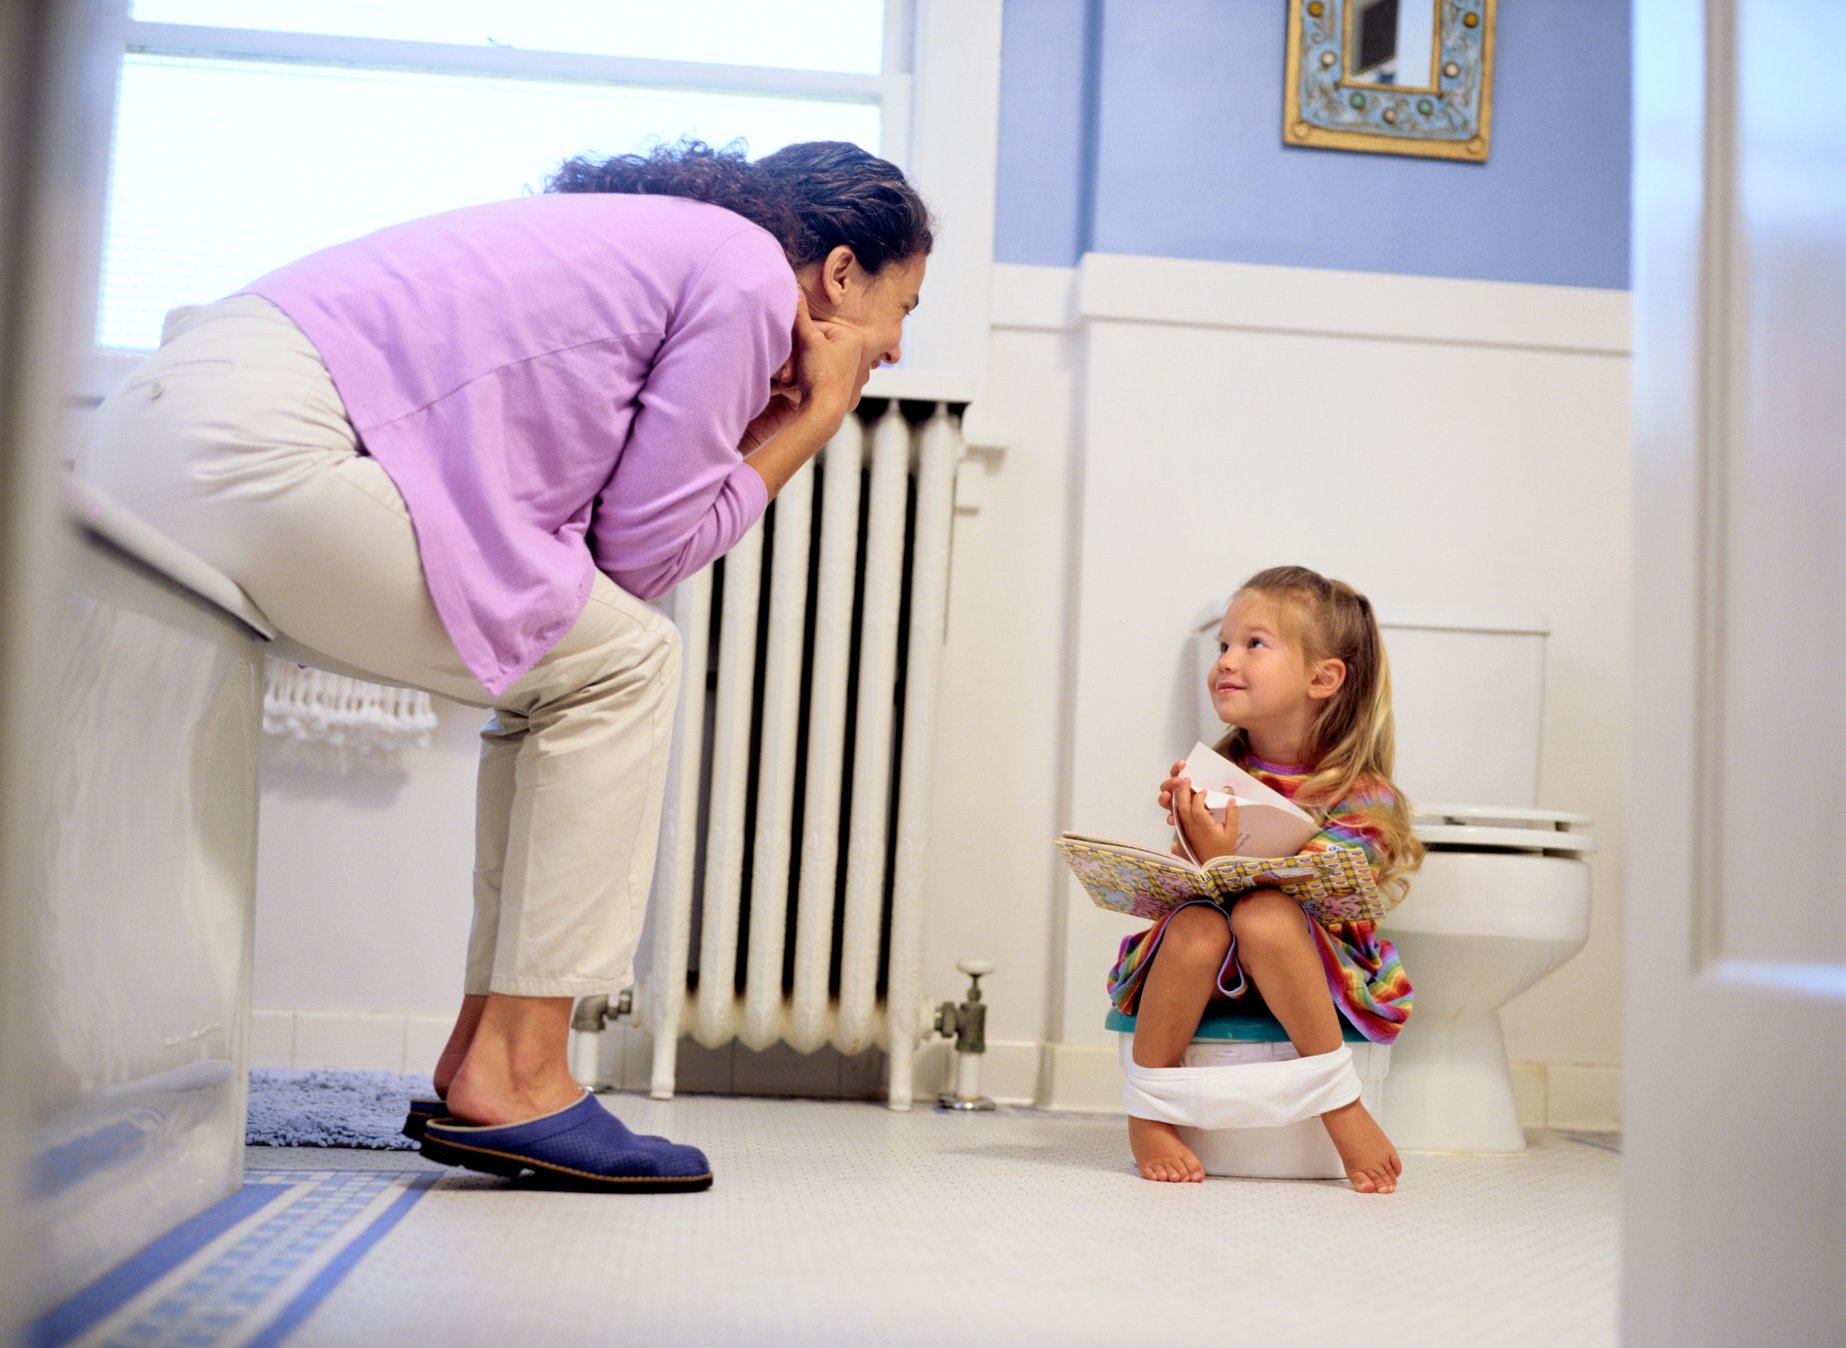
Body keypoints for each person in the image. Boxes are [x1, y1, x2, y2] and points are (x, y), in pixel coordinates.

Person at [75, 138, 933, 1192]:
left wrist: (762, 420)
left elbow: (607, 550)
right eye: (906, 308)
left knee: (569, 672)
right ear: (840, 273)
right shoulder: (749, 272)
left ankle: (484, 1053)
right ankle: (520, 1069)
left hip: (165, 437)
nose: (892, 347)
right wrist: (815, 417)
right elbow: (641, 561)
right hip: (253, 448)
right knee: (627, 664)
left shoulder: (676, 249)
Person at [1108, 565, 1421, 1192]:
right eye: (1223, 644)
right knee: (1196, 924)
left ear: (1323, 678)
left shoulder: (1365, 796)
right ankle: (1150, 1110)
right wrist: (1199, 849)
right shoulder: (1212, 773)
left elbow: (1332, 895)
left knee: (1265, 914)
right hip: (1211, 966)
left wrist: (1241, 864)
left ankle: (1340, 1102)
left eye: (1254, 644)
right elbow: (1193, 891)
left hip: (1312, 970)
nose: (1226, 660)